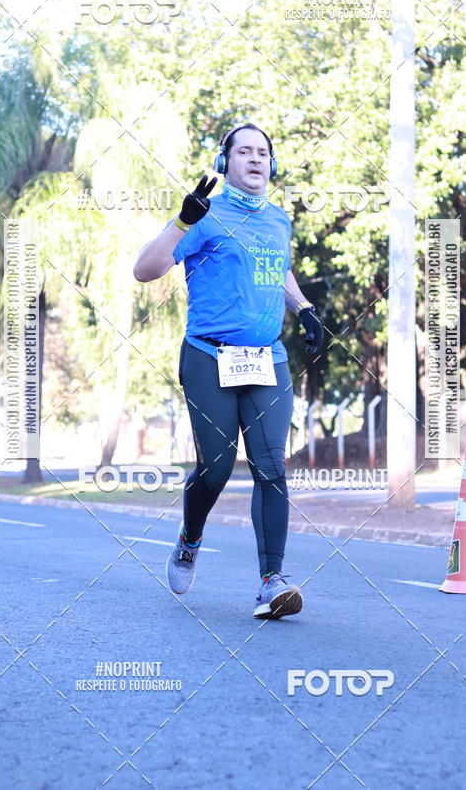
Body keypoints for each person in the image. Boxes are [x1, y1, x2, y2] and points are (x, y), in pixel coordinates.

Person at [133, 123, 324, 618]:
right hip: (208, 355)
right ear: (225, 163)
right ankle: (189, 539)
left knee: (272, 467)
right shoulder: (205, 214)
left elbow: (276, 267)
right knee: (216, 468)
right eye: (245, 152)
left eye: (264, 153)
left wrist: (303, 307)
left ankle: (271, 581)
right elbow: (145, 269)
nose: (256, 159)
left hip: (266, 358)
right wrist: (181, 220)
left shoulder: (279, 220)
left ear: (272, 164)